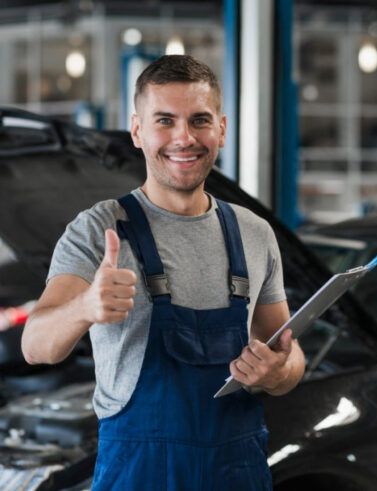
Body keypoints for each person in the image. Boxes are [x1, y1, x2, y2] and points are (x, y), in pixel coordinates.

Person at [21, 54, 305, 490]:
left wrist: (277, 373)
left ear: (222, 129)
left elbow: (287, 350)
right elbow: (36, 346)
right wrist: (85, 307)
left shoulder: (254, 232)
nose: (184, 138)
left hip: (236, 471)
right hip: (138, 473)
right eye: (165, 121)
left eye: (199, 120)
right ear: (137, 130)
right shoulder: (99, 228)